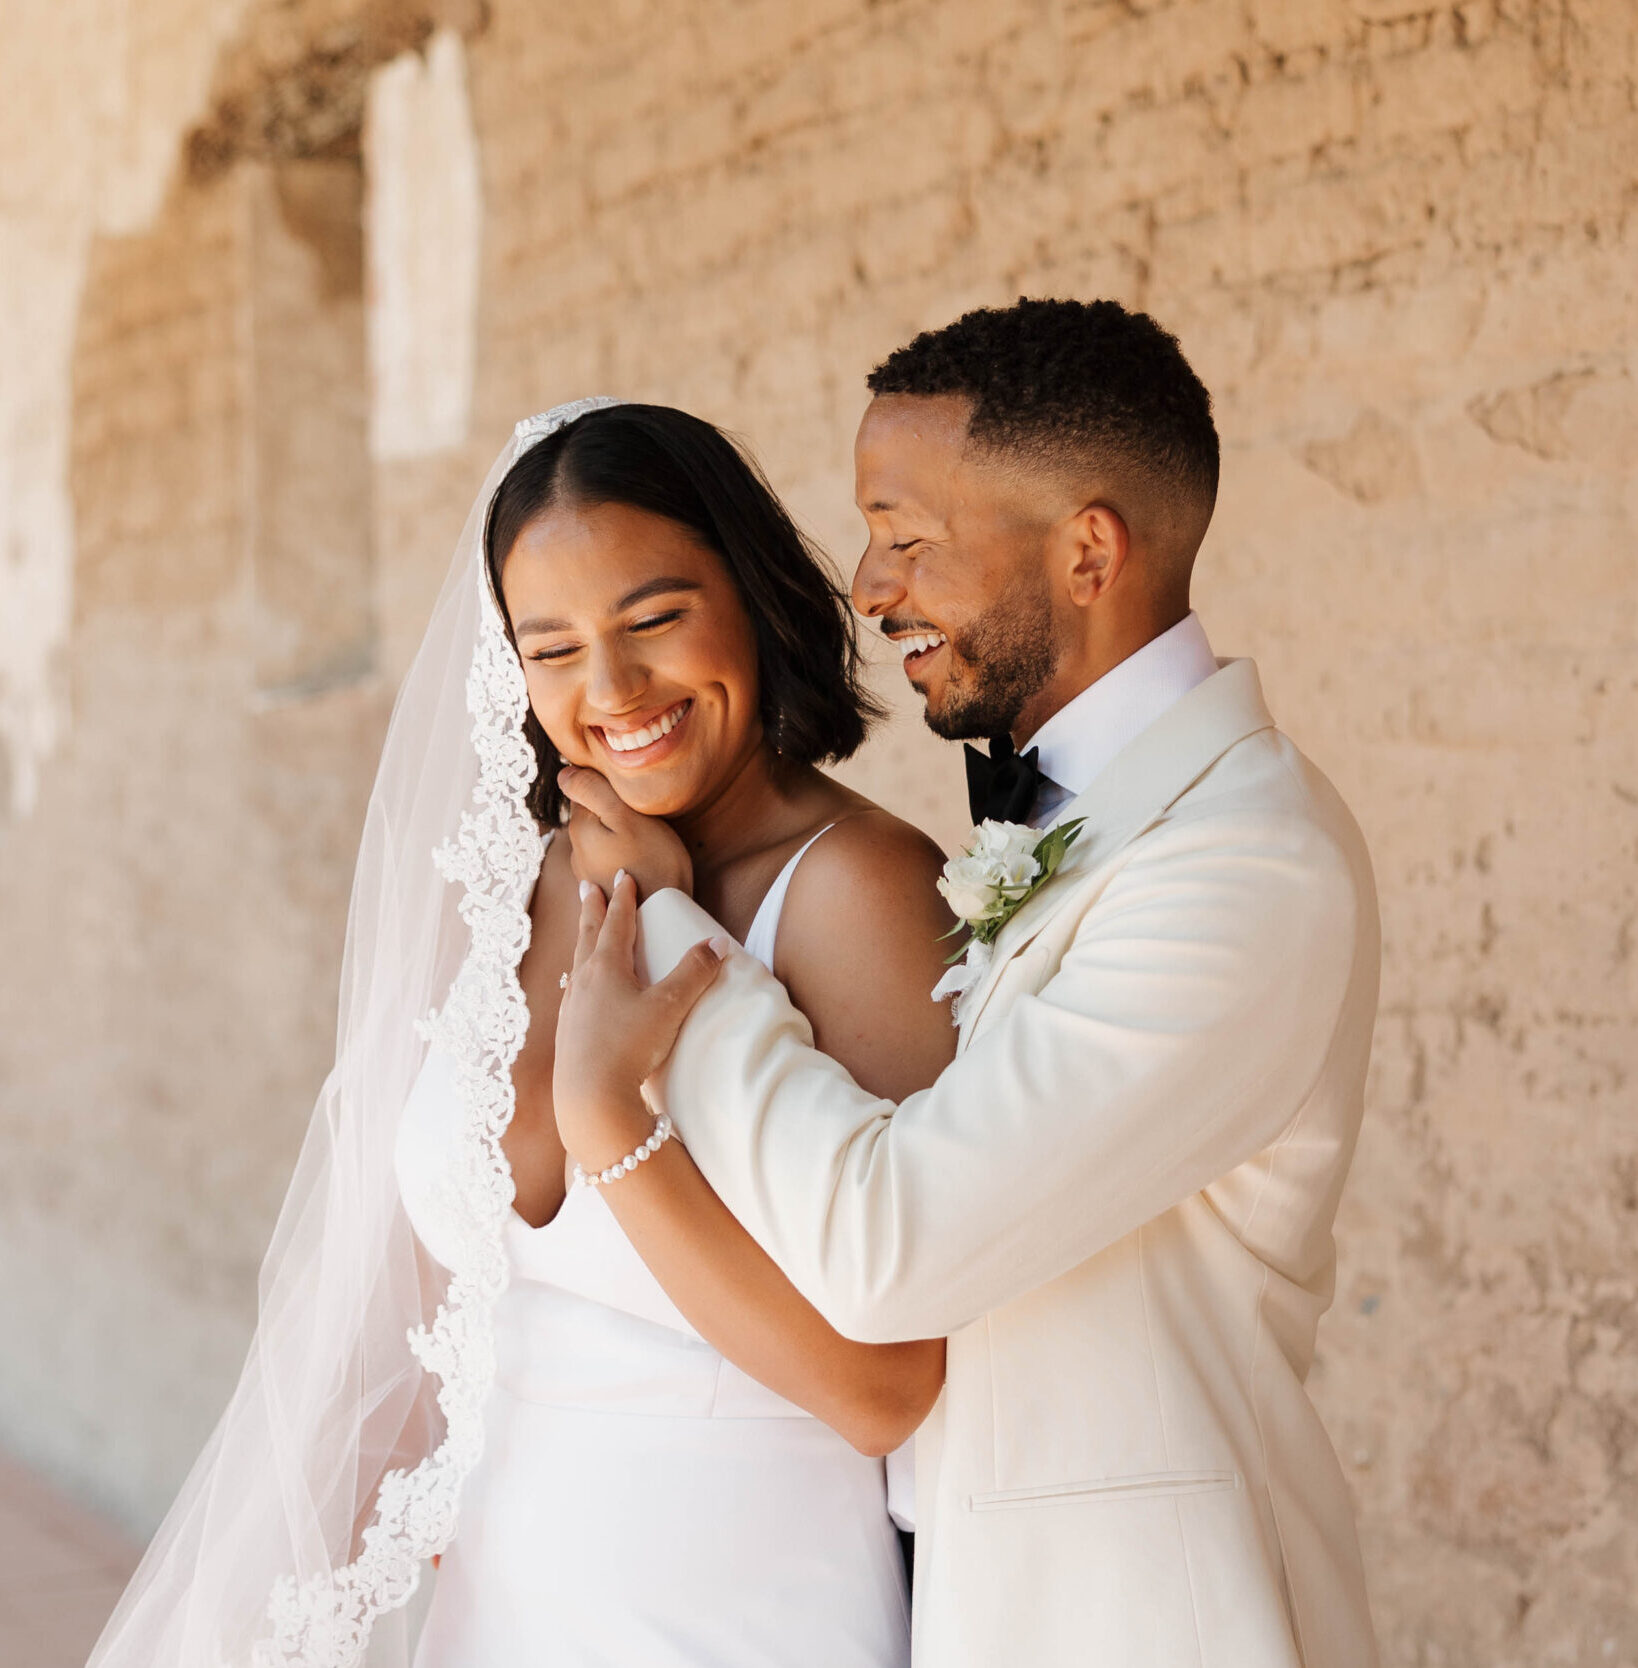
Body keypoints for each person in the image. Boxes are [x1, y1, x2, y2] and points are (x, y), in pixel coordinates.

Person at [552, 299, 1384, 1668]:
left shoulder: (1243, 865)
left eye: (906, 538)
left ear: (1086, 551)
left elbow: (892, 1251)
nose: (871, 590)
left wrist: (675, 930)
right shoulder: (1088, 818)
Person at [88, 399, 955, 1668]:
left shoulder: (860, 891)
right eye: (551, 649)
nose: (612, 693)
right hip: (502, 1602)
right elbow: (420, 1310)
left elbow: (887, 1389)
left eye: (654, 618)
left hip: (745, 1608)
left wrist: (666, 934)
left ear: (753, 591)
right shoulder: (517, 886)